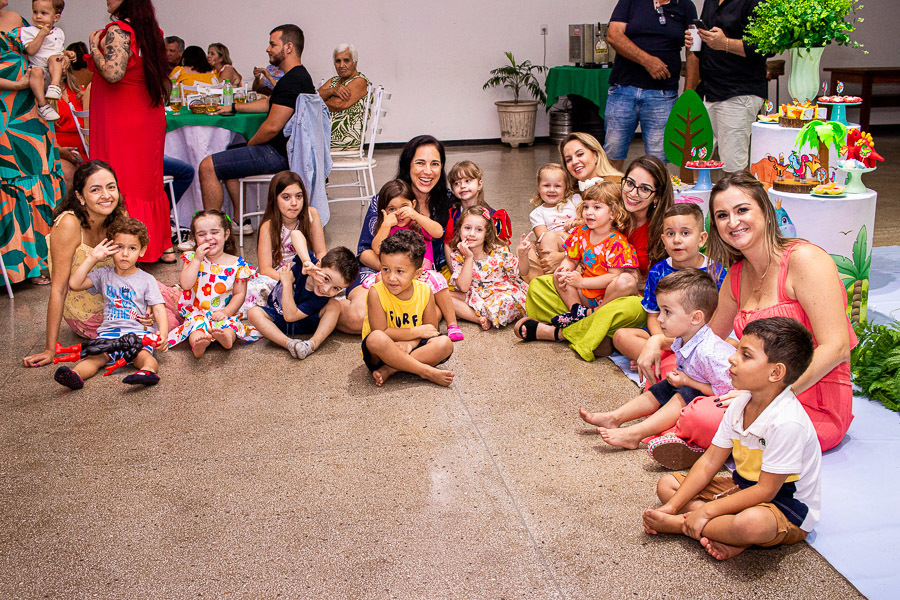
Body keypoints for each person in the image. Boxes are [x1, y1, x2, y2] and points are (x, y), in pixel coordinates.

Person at [641, 172, 856, 460]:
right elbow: (707, 337)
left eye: (742, 210)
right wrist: (657, 342)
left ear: (766, 212)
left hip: (808, 395)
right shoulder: (737, 275)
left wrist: (767, 396)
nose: (732, 222)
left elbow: (837, 347)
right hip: (756, 386)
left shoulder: (805, 259)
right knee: (674, 368)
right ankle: (687, 434)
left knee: (703, 417)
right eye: (722, 215)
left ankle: (689, 435)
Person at [643, 317, 821, 562]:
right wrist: (670, 507)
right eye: (737, 350)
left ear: (776, 372)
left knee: (752, 524)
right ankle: (724, 533)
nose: (732, 358)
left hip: (785, 507)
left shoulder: (787, 422)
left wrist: (705, 511)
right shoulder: (740, 403)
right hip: (743, 488)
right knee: (668, 486)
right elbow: (709, 462)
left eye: (745, 355)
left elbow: (766, 491)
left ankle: (684, 526)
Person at [514, 155, 674, 361]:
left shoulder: (661, 229)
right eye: (630, 184)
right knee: (539, 286)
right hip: (593, 291)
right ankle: (592, 328)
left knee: (625, 297)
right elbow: (586, 248)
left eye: (644, 189)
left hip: (632, 299)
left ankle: (556, 333)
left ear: (657, 196)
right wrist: (566, 263)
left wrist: (633, 279)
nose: (633, 193)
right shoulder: (611, 209)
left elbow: (664, 280)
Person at [581, 268, 734, 449]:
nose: (660, 319)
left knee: (684, 393)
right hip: (698, 386)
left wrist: (688, 382)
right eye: (660, 311)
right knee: (663, 388)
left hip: (724, 403)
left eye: (667, 312)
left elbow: (726, 393)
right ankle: (615, 417)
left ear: (695, 317)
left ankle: (634, 434)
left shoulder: (709, 353)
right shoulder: (684, 339)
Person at [198, 24, 315, 231]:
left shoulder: (292, 81)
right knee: (230, 151)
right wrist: (233, 106)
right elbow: (271, 103)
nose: (268, 49)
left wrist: (251, 143)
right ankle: (238, 221)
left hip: (277, 153)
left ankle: (210, 231)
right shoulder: (297, 77)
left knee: (208, 166)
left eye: (272, 44)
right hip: (286, 150)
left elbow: (271, 127)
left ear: (288, 47)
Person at [338, 135, 457, 337]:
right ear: (407, 165)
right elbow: (365, 251)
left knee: (429, 316)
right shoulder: (386, 200)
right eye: (420, 163)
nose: (428, 171)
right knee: (361, 318)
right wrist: (396, 273)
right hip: (380, 273)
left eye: (435, 164)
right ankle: (327, 310)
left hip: (423, 277)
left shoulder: (447, 200)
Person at [87, 0, 174, 263]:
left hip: (122, 116)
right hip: (144, 112)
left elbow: (113, 73)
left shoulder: (118, 29)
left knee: (122, 178)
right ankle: (162, 245)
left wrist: (93, 46)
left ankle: (127, 247)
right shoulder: (150, 31)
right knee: (147, 181)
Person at [55, 218, 169, 390]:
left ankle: (147, 372)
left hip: (137, 333)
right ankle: (75, 376)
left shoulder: (147, 279)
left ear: (142, 250)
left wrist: (163, 334)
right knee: (95, 358)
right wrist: (93, 258)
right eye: (119, 247)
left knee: (143, 356)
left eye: (132, 248)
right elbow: (75, 284)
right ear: (110, 249)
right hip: (109, 333)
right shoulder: (103, 274)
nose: (125, 254)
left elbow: (159, 308)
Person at [0, 0, 63, 286]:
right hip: (5, 111)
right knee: (10, 179)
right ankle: (15, 267)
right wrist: (19, 84)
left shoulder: (19, 17)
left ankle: (44, 262)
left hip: (32, 112)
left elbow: (38, 54)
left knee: (40, 175)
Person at [613, 203, 726, 362]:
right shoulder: (658, 271)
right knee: (621, 337)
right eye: (670, 234)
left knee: (729, 346)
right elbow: (653, 315)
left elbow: (720, 318)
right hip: (665, 337)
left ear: (701, 239)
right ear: (663, 240)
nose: (677, 240)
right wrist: (659, 340)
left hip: (701, 341)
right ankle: (666, 363)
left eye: (685, 233)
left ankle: (659, 364)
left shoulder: (717, 273)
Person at [604, 0, 698, 168]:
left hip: (663, 95)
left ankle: (656, 194)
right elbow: (613, 35)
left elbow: (693, 51)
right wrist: (647, 61)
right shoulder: (631, 2)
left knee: (658, 161)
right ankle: (609, 194)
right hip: (623, 89)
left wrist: (689, 94)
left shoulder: (686, 6)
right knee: (613, 153)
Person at [363, 179, 460, 339]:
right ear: (384, 211)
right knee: (380, 279)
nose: (399, 213)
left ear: (413, 204)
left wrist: (417, 216)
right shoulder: (387, 228)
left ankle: (452, 324)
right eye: (392, 209)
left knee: (439, 281)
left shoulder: (419, 223)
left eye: (404, 207)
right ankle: (394, 321)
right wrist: (386, 225)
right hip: (397, 275)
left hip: (423, 273)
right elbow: (377, 248)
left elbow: (438, 232)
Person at [361, 230, 455, 387]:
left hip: (414, 347)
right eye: (385, 269)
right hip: (382, 353)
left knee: (445, 343)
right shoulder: (376, 292)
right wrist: (416, 332)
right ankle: (424, 371)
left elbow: (431, 329)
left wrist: (411, 343)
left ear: (417, 273)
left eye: (399, 271)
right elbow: (381, 332)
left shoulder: (425, 290)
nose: (391, 277)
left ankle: (391, 370)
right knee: (376, 338)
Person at [684, 0, 768, 173]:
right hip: (709, 90)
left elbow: (763, 47)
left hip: (738, 92)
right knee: (699, 160)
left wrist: (725, 43)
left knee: (733, 166)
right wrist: (696, 39)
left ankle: (738, 199)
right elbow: (706, 41)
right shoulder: (711, 1)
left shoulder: (756, 2)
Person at [167, 210, 260, 357]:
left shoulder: (238, 265)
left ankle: (226, 339)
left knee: (230, 327)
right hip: (198, 312)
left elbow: (239, 294)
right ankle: (198, 344)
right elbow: (185, 284)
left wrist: (226, 312)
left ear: (226, 234)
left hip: (223, 312)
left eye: (214, 232)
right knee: (195, 328)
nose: (208, 238)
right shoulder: (191, 259)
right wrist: (197, 260)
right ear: (195, 238)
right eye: (201, 234)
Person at [549, 180, 639, 328]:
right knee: (557, 275)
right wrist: (565, 269)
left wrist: (581, 282)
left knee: (625, 281)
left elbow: (613, 277)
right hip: (584, 294)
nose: (589, 212)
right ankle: (576, 312)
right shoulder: (580, 233)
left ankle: (594, 313)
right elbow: (571, 258)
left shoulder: (617, 243)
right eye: (586, 206)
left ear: (613, 213)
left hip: (607, 296)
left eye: (596, 207)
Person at [249, 246, 357, 360]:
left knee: (334, 305)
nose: (326, 290)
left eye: (335, 288)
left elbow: (290, 316)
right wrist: (306, 261)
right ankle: (289, 343)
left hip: (303, 321)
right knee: (253, 313)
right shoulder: (308, 265)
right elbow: (296, 234)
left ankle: (311, 345)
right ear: (318, 265)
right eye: (326, 279)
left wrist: (287, 283)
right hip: (277, 317)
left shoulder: (320, 297)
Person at [242, 171, 326, 313]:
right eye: (286, 197)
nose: (294, 203)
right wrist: (289, 280)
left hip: (308, 269)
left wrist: (319, 271)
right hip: (280, 275)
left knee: (334, 283)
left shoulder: (312, 215)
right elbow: (265, 269)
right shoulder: (268, 226)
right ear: (275, 199)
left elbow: (321, 251)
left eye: (298, 196)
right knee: (255, 289)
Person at [448, 207, 529, 330]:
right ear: (459, 230)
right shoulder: (458, 256)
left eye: (479, 230)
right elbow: (464, 287)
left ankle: (487, 313)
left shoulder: (499, 250)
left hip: (500, 291)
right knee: (444, 297)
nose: (471, 234)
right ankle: (479, 318)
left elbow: (523, 272)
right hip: (475, 293)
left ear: (486, 234)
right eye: (467, 228)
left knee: (506, 301)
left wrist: (523, 255)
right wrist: (469, 258)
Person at [442, 160, 512, 270]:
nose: (462, 186)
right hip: (460, 266)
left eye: (467, 180)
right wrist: (455, 273)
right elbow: (448, 245)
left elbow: (503, 247)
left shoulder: (493, 216)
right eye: (457, 183)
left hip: (489, 268)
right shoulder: (452, 215)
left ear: (479, 184)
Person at [525, 163, 580, 282]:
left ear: (566, 187)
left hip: (578, 243)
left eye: (557, 186)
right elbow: (542, 235)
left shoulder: (575, 201)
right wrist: (562, 234)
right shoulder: (537, 213)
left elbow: (587, 220)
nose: (551, 190)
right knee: (548, 237)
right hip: (554, 246)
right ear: (539, 187)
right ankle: (550, 276)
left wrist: (576, 223)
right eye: (546, 185)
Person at [317, 43, 370, 151]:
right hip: (324, 136)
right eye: (338, 61)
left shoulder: (360, 81)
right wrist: (332, 91)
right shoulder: (334, 81)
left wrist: (320, 100)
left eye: (346, 60)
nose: (341, 65)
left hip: (344, 140)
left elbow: (337, 104)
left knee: (299, 143)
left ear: (355, 62)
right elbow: (312, 96)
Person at [20, 0, 67, 121]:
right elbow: (31, 50)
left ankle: (54, 86)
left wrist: (67, 54)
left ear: (56, 17)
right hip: (38, 75)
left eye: (44, 13)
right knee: (35, 71)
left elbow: (59, 51)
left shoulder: (59, 32)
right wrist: (41, 35)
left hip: (54, 73)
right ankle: (43, 105)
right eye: (35, 12)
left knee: (55, 58)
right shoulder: (28, 31)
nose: (38, 16)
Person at [559, 132, 623, 191]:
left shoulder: (618, 185)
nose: (574, 162)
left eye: (580, 154)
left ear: (596, 155)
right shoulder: (568, 191)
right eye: (569, 160)